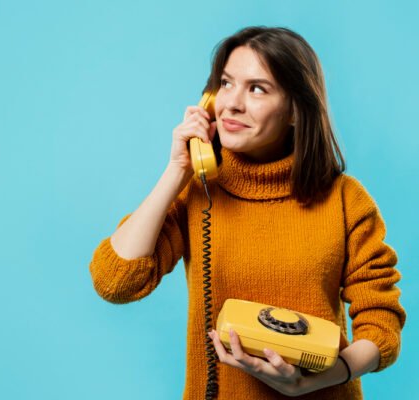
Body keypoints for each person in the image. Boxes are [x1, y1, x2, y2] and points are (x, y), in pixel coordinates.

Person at [88, 26, 405, 400]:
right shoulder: (198, 190)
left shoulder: (345, 200)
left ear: (294, 111)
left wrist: (320, 378)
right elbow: (114, 282)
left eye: (257, 88)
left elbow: (381, 324)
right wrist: (177, 170)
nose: (231, 104)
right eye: (225, 83)